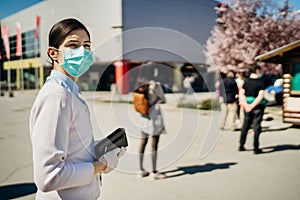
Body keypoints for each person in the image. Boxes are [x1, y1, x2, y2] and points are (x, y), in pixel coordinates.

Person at [29, 18, 124, 199]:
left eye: (86, 45)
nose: (82, 51)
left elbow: (70, 149)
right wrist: (102, 165)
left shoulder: (70, 93)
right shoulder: (56, 96)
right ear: (53, 53)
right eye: (73, 45)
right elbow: (48, 176)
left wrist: (99, 148)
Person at [137, 79, 167, 180]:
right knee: (154, 145)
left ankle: (140, 170)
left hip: (143, 116)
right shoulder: (156, 85)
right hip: (154, 117)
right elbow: (163, 99)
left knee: (143, 143)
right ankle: (154, 172)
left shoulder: (139, 84)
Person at [238, 65, 267, 154]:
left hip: (247, 106)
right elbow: (260, 95)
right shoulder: (261, 82)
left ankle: (241, 145)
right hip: (258, 106)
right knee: (257, 126)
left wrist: (246, 105)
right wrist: (253, 105)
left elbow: (241, 94)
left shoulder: (245, 81)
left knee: (245, 126)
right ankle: (256, 147)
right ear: (257, 71)